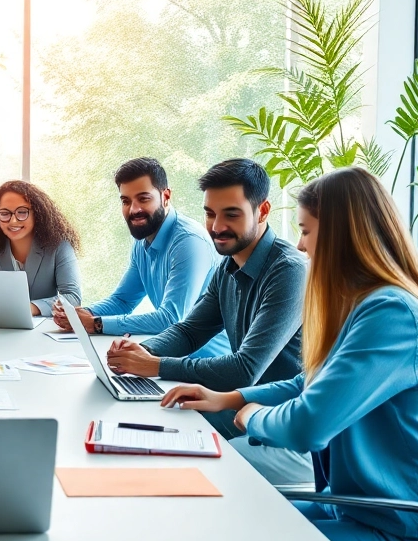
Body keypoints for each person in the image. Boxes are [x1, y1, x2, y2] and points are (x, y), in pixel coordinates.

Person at [161, 167, 418, 541]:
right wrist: (228, 398)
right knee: (224, 522)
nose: (300, 245)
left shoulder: (393, 315)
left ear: (342, 235)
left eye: (306, 231)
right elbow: (308, 383)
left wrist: (251, 417)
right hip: (354, 512)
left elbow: (309, 425)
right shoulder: (364, 304)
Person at [105, 158, 312, 486]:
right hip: (240, 408)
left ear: (262, 211)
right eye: (210, 214)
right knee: (146, 431)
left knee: (183, 466)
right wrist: (140, 352)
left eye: (231, 214)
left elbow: (245, 369)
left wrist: (155, 365)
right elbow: (190, 331)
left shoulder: (289, 271)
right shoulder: (227, 267)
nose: (216, 227)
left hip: (283, 427)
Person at [52, 157, 228, 358]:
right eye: (126, 201)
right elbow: (123, 300)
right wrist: (79, 314)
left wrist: (96, 324)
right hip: (171, 357)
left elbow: (171, 318)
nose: (133, 210)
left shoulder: (189, 242)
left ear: (165, 196)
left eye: (143, 199)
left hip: (207, 364)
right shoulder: (143, 238)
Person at [0, 180, 82, 315]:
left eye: (22, 212)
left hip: (46, 325)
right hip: (2, 324)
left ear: (37, 213)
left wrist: (30, 308)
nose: (13, 221)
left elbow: (72, 297)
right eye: (5, 213)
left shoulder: (59, 246)